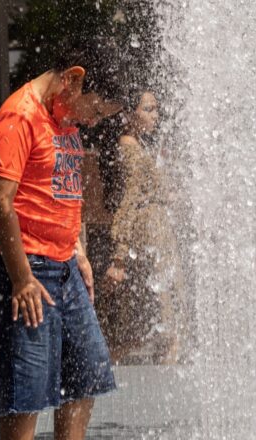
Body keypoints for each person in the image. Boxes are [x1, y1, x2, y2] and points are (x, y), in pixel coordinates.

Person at [0, 49, 122, 440]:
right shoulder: (19, 116)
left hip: (62, 262)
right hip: (20, 265)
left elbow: (57, 190)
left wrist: (78, 250)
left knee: (87, 369)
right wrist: (21, 279)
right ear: (71, 79)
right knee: (28, 384)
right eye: (94, 109)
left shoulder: (64, 116)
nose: (91, 121)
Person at [99, 89, 180, 364]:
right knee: (159, 317)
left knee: (160, 318)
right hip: (148, 234)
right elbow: (130, 199)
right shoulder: (128, 146)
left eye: (156, 109)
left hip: (156, 233)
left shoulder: (140, 146)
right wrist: (119, 256)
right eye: (148, 109)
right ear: (129, 113)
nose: (155, 115)